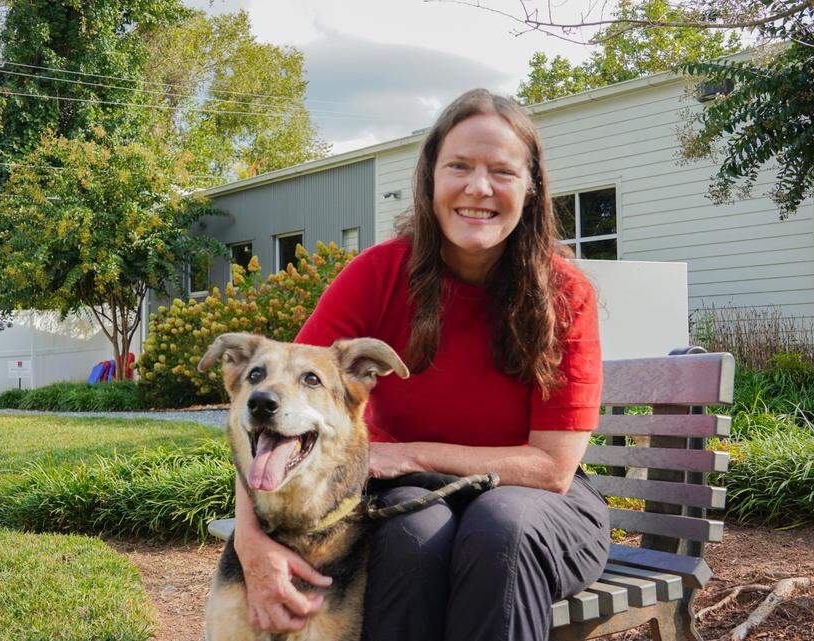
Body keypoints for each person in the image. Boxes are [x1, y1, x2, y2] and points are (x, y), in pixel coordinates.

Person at [229, 88, 610, 641]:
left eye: (502, 171)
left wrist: (407, 454)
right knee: (412, 526)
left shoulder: (564, 293)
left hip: (541, 509)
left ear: (531, 188)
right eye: (459, 166)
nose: (478, 188)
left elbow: (552, 470)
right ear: (431, 178)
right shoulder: (379, 274)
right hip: (408, 494)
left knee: (500, 527)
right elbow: (279, 408)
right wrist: (249, 539)